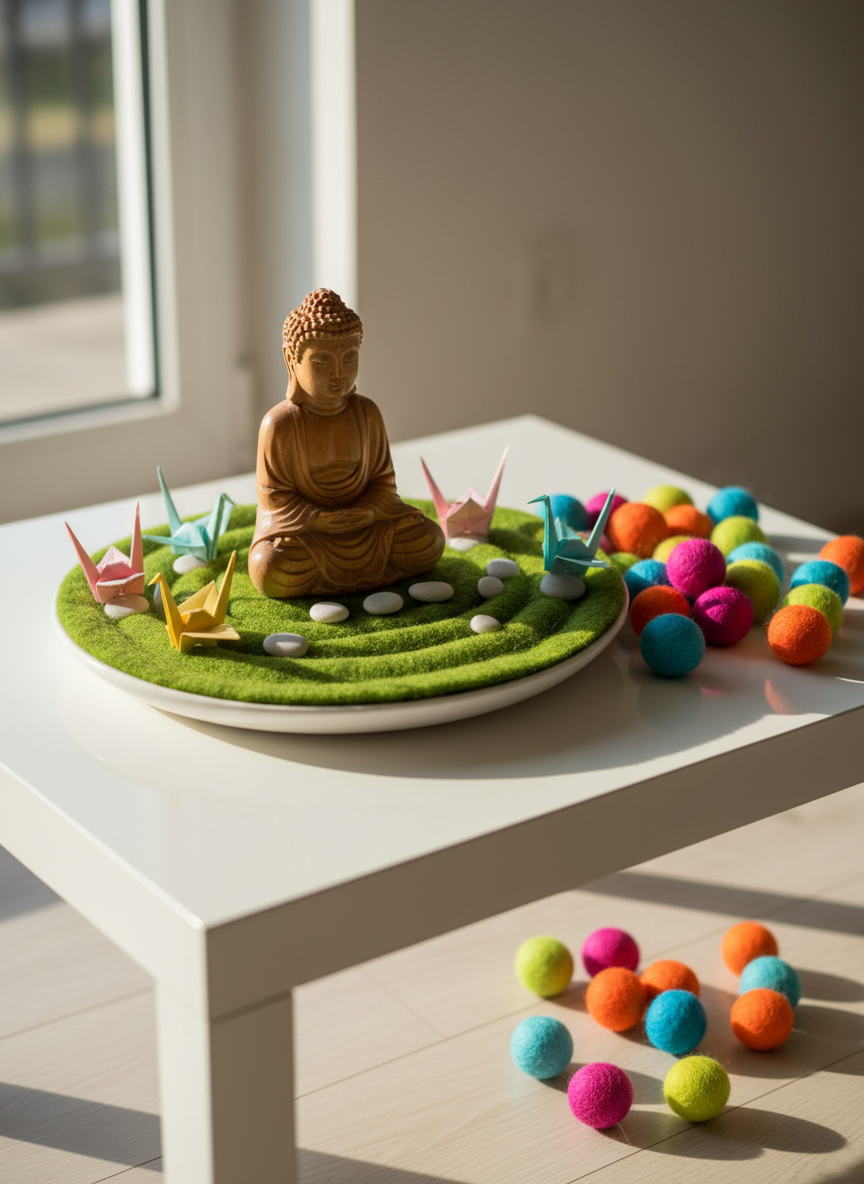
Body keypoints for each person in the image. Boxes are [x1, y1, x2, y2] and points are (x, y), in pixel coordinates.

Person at [248, 289, 445, 598]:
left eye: (349, 357)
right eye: (322, 361)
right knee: (269, 566)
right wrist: (318, 520)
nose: (338, 373)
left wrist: (367, 513)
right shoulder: (279, 425)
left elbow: (383, 482)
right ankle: (366, 574)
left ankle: (342, 576)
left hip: (366, 526)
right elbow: (274, 500)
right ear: (292, 359)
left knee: (429, 538)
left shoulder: (367, 413)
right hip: (309, 534)